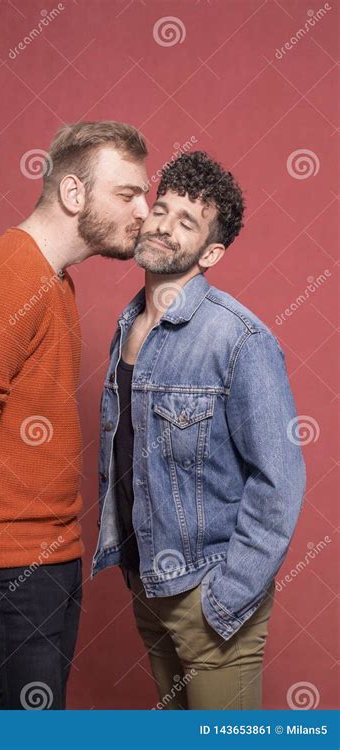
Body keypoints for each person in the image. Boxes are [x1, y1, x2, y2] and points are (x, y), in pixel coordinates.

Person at [0, 120, 150, 710]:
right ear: (72, 194)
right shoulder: (10, 274)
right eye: (127, 193)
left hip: (49, 557)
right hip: (4, 568)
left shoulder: (53, 280)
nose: (144, 209)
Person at [91, 150, 306, 709]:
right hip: (147, 587)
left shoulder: (238, 339)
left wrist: (226, 597)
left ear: (210, 252)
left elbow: (279, 480)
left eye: (186, 221)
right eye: (161, 209)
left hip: (209, 595)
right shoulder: (128, 324)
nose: (163, 224)